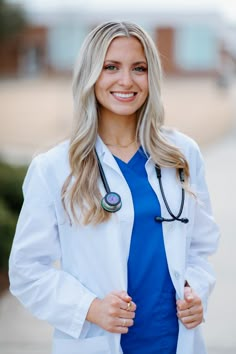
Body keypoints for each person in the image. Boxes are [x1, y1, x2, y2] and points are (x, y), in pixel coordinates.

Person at [9, 21, 219, 354]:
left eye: (139, 68)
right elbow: (25, 270)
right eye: (111, 67)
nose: (126, 80)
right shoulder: (54, 168)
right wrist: (89, 308)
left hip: (173, 340)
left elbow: (200, 249)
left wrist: (196, 290)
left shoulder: (182, 154)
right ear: (90, 75)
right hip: (99, 341)